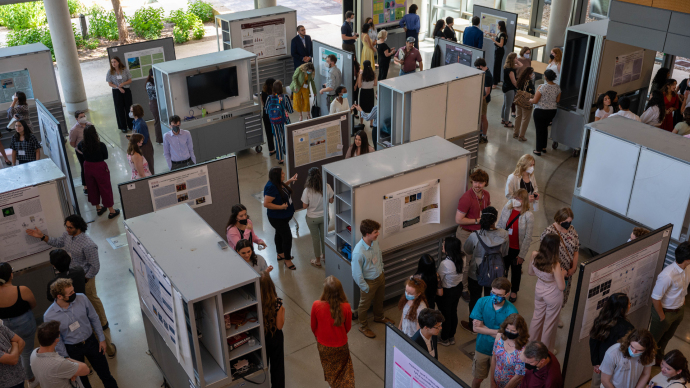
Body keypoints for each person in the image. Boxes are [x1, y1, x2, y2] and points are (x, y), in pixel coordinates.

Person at [26, 214, 117, 358]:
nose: (67, 229)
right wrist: (42, 236)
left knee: (91, 300)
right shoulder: (67, 236)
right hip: (73, 274)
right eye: (66, 226)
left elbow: (95, 266)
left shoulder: (88, 244)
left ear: (78, 227)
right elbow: (57, 242)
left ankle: (103, 323)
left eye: (70, 227)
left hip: (85, 276)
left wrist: (85, 279)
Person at [44, 279, 119, 388]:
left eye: (73, 290)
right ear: (59, 296)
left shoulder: (82, 298)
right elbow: (57, 339)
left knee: (106, 375)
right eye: (70, 293)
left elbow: (94, 318)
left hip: (91, 342)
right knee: (82, 383)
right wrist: (65, 357)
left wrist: (102, 339)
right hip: (72, 350)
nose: (74, 294)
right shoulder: (49, 316)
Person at [462, 207, 510, 336]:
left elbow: (467, 250)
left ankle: (474, 325)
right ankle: (489, 325)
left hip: (476, 273)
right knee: (492, 299)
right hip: (495, 274)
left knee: (475, 299)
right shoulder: (504, 235)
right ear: (495, 219)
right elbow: (505, 253)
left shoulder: (474, 236)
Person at [468, 277, 518, 388]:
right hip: (482, 347)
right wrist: (499, 333)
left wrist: (483, 327)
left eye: (499, 295)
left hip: (501, 351)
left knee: (496, 382)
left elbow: (507, 336)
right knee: (477, 379)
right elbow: (475, 328)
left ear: (507, 294)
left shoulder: (512, 311)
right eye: (493, 292)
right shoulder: (482, 302)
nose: (494, 297)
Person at [352, 219, 395, 338]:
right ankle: (363, 326)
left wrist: (382, 271)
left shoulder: (375, 242)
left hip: (379, 276)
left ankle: (379, 317)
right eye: (375, 232)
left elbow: (379, 256)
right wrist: (365, 287)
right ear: (367, 234)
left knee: (379, 299)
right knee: (364, 306)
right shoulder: (358, 252)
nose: (378, 234)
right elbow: (356, 274)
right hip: (369, 282)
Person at [650, 241, 690, 365]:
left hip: (679, 310)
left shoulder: (687, 268)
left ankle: (659, 358)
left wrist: (681, 302)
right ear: (687, 259)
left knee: (667, 337)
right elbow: (655, 298)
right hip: (665, 312)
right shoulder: (667, 275)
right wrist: (662, 316)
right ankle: (646, 365)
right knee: (653, 341)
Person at [311, 276, 355, 388]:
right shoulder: (346, 307)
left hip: (323, 346)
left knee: (330, 372)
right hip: (341, 346)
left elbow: (313, 326)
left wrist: (319, 337)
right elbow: (348, 327)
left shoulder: (316, 305)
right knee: (344, 373)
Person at [455, 168, 491, 302]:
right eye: (475, 182)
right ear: (472, 182)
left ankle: (470, 284)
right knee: (465, 264)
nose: (477, 185)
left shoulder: (486, 195)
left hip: (480, 234)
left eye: (481, 182)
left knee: (476, 262)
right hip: (466, 234)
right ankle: (464, 289)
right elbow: (458, 220)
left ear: (485, 183)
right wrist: (477, 220)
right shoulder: (466, 198)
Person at [0, 262, 37, 388]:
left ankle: (27, 375)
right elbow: (33, 304)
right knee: (26, 352)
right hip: (25, 323)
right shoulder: (22, 290)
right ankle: (30, 379)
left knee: (15, 350)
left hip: (6, 326)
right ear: (11, 275)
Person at [528, 234, 565, 354]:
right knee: (549, 324)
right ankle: (545, 351)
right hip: (553, 294)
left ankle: (531, 347)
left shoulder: (534, 254)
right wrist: (562, 274)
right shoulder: (555, 264)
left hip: (539, 289)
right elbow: (561, 286)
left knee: (536, 318)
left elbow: (530, 272)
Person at [540, 207, 578, 322]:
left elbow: (576, 250)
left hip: (568, 272)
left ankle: (557, 315)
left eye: (570, 222)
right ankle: (547, 315)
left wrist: (574, 267)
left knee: (563, 294)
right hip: (554, 273)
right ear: (558, 219)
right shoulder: (549, 232)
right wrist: (559, 271)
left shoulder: (572, 230)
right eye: (565, 222)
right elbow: (544, 255)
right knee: (552, 296)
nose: (568, 224)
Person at [589, 293, 635, 388]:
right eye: (629, 303)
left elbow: (593, 341)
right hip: (615, 368)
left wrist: (595, 362)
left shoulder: (600, 320)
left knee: (596, 384)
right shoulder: (628, 328)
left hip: (600, 364)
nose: (630, 305)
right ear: (622, 309)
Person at [497, 189, 534, 303]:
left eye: (519, 199)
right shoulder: (507, 209)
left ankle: (514, 291)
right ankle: (502, 290)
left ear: (524, 201)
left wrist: (522, 255)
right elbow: (499, 225)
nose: (516, 201)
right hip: (505, 246)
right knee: (503, 269)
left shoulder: (528, 215)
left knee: (516, 271)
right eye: (515, 198)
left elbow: (528, 237)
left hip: (517, 249)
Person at [30, 320, 90, 388]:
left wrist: (69, 371)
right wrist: (67, 359)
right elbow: (86, 369)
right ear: (57, 339)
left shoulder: (33, 353)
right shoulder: (59, 363)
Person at [77, 126, 120, 219]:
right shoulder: (101, 145)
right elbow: (105, 156)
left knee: (92, 187)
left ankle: (98, 208)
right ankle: (111, 211)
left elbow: (78, 150)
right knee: (105, 188)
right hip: (99, 167)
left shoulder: (82, 144)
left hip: (87, 166)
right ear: (95, 133)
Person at [263, 166, 298, 270]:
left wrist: (290, 181)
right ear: (276, 176)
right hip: (277, 218)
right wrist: (281, 207)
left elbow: (280, 189)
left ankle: (280, 254)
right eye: (282, 174)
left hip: (283, 217)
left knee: (279, 234)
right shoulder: (271, 187)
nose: (284, 174)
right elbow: (266, 203)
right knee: (287, 238)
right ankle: (287, 260)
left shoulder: (277, 183)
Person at [302, 167, 334, 267]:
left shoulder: (307, 190)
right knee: (324, 237)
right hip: (324, 216)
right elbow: (331, 201)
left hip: (312, 218)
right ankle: (325, 256)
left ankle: (318, 260)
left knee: (315, 239)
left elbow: (304, 206)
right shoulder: (327, 186)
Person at [437, 236, 464, 346]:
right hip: (458, 288)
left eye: (444, 245)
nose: (442, 246)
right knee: (453, 312)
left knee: (445, 315)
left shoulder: (445, 264)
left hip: (447, 292)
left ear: (448, 249)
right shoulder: (462, 257)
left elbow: (439, 278)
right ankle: (451, 336)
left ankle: (444, 338)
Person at [489, 313, 529, 388]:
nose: (509, 333)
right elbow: (494, 358)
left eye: (513, 331)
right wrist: (492, 382)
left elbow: (518, 377)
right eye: (507, 329)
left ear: (520, 331)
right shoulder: (500, 337)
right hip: (496, 381)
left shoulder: (524, 349)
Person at [260, 272, 285, 388]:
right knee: (277, 367)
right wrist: (282, 312)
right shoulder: (277, 302)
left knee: (262, 366)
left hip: (261, 336)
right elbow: (279, 326)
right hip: (275, 337)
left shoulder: (256, 301)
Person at [530, 69, 561, 156]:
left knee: (539, 130)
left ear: (546, 77)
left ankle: (538, 150)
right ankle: (544, 147)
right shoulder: (557, 87)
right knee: (545, 128)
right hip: (552, 111)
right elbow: (557, 100)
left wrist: (529, 100)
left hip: (540, 111)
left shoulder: (542, 87)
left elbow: (535, 101)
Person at [266, 80, 294, 164]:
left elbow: (267, 111)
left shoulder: (269, 98)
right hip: (284, 121)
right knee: (287, 137)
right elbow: (291, 110)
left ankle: (281, 158)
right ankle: (286, 151)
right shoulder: (285, 97)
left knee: (278, 139)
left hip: (274, 122)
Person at [106, 56, 133, 133]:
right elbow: (110, 83)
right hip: (117, 92)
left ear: (118, 62)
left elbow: (130, 80)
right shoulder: (110, 72)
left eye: (114, 62)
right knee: (119, 109)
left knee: (129, 108)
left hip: (126, 90)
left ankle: (130, 125)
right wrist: (118, 87)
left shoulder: (125, 70)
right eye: (112, 62)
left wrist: (123, 83)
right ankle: (123, 126)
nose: (113, 63)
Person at [69, 110, 91, 194]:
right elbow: (72, 143)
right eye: (81, 117)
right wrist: (80, 148)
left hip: (91, 150)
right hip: (81, 152)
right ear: (76, 118)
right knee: (84, 168)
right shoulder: (74, 130)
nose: (83, 118)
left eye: (84, 116)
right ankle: (85, 186)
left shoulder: (90, 125)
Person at [129, 104, 155, 175]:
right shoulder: (135, 122)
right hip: (139, 148)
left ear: (136, 112)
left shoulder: (141, 124)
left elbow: (144, 139)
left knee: (148, 168)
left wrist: (134, 141)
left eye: (131, 111)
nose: (130, 113)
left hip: (145, 148)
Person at [0, 320, 26, 388]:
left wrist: (12, 356)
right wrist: (14, 344)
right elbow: (13, 360)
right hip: (6, 384)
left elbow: (21, 342)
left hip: (19, 375)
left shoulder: (1, 328)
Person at [513, 67, 535, 141]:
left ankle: (515, 133)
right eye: (532, 73)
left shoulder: (521, 80)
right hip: (526, 101)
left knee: (518, 116)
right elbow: (532, 93)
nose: (533, 75)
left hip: (519, 100)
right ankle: (521, 135)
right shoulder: (530, 82)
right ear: (529, 74)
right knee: (525, 118)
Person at [475, 58, 493, 143]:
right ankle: (481, 133)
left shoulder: (487, 76)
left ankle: (484, 136)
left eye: (477, 67)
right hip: (482, 98)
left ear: (481, 66)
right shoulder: (485, 73)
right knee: (481, 118)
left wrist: (480, 99)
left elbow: (487, 92)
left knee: (483, 117)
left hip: (484, 99)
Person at [488, 21, 508, 88]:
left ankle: (495, 83)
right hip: (498, 51)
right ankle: (497, 80)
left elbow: (501, 44)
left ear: (500, 26)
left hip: (499, 51)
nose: (497, 26)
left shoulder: (502, 34)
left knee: (496, 67)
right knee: (497, 66)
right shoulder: (501, 33)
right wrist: (489, 33)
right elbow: (496, 35)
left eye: (498, 25)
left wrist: (494, 41)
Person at [145, 69, 163, 144]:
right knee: (158, 121)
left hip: (161, 102)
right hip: (154, 103)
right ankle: (159, 140)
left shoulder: (158, 81)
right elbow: (157, 89)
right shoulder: (149, 84)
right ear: (151, 75)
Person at [502, 53, 518, 127]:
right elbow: (514, 81)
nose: (517, 59)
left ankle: (503, 118)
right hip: (510, 89)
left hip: (505, 87)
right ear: (512, 59)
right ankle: (506, 121)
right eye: (516, 58)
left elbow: (520, 65)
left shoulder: (506, 67)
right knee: (508, 105)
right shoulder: (511, 70)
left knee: (505, 104)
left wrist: (516, 61)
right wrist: (518, 87)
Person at [357, 60, 376, 125]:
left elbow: (359, 86)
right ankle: (371, 123)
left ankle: (361, 122)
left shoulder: (361, 74)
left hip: (363, 92)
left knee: (362, 107)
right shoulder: (373, 73)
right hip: (370, 91)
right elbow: (375, 84)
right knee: (371, 107)